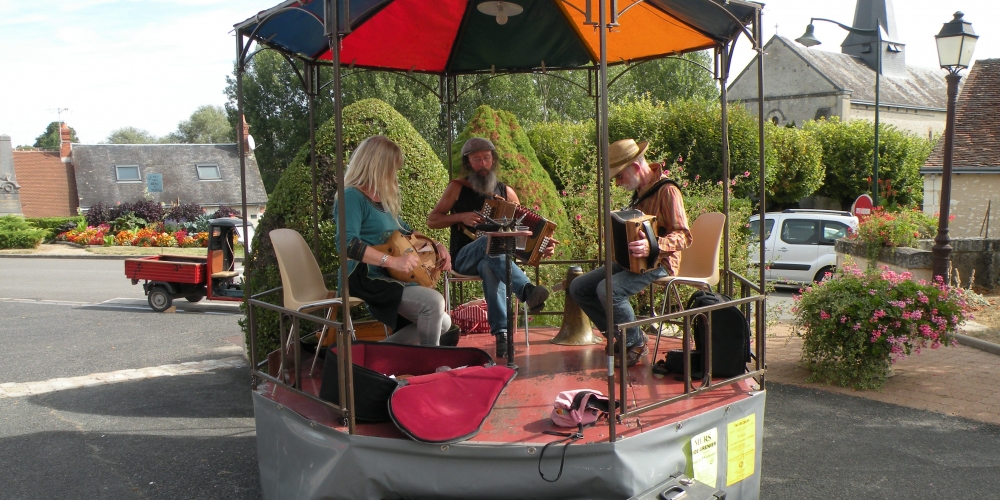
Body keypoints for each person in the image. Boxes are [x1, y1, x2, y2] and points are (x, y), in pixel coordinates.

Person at [568, 138, 692, 367]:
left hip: (660, 262)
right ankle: (623, 337)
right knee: (579, 287)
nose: (617, 183)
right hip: (634, 261)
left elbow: (684, 236)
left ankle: (635, 342)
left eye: (619, 176)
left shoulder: (668, 191)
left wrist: (652, 246)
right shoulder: (641, 191)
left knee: (609, 289)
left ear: (635, 167)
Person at [427, 137, 552, 357]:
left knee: (490, 262)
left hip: (493, 261)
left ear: (493, 160)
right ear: (468, 163)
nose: (482, 163)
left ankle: (502, 335)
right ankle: (526, 290)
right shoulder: (457, 187)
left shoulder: (507, 193)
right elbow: (432, 220)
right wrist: (461, 217)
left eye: (486, 158)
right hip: (463, 258)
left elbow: (521, 234)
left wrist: (541, 246)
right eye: (477, 159)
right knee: (489, 241)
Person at [334, 135, 453, 346]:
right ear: (378, 166)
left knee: (443, 322)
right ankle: (430, 365)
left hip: (388, 276)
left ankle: (379, 354)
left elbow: (405, 230)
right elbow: (347, 244)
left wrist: (436, 245)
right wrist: (392, 262)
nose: (395, 175)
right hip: (363, 276)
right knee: (434, 303)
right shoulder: (351, 196)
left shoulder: (382, 200)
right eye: (393, 169)